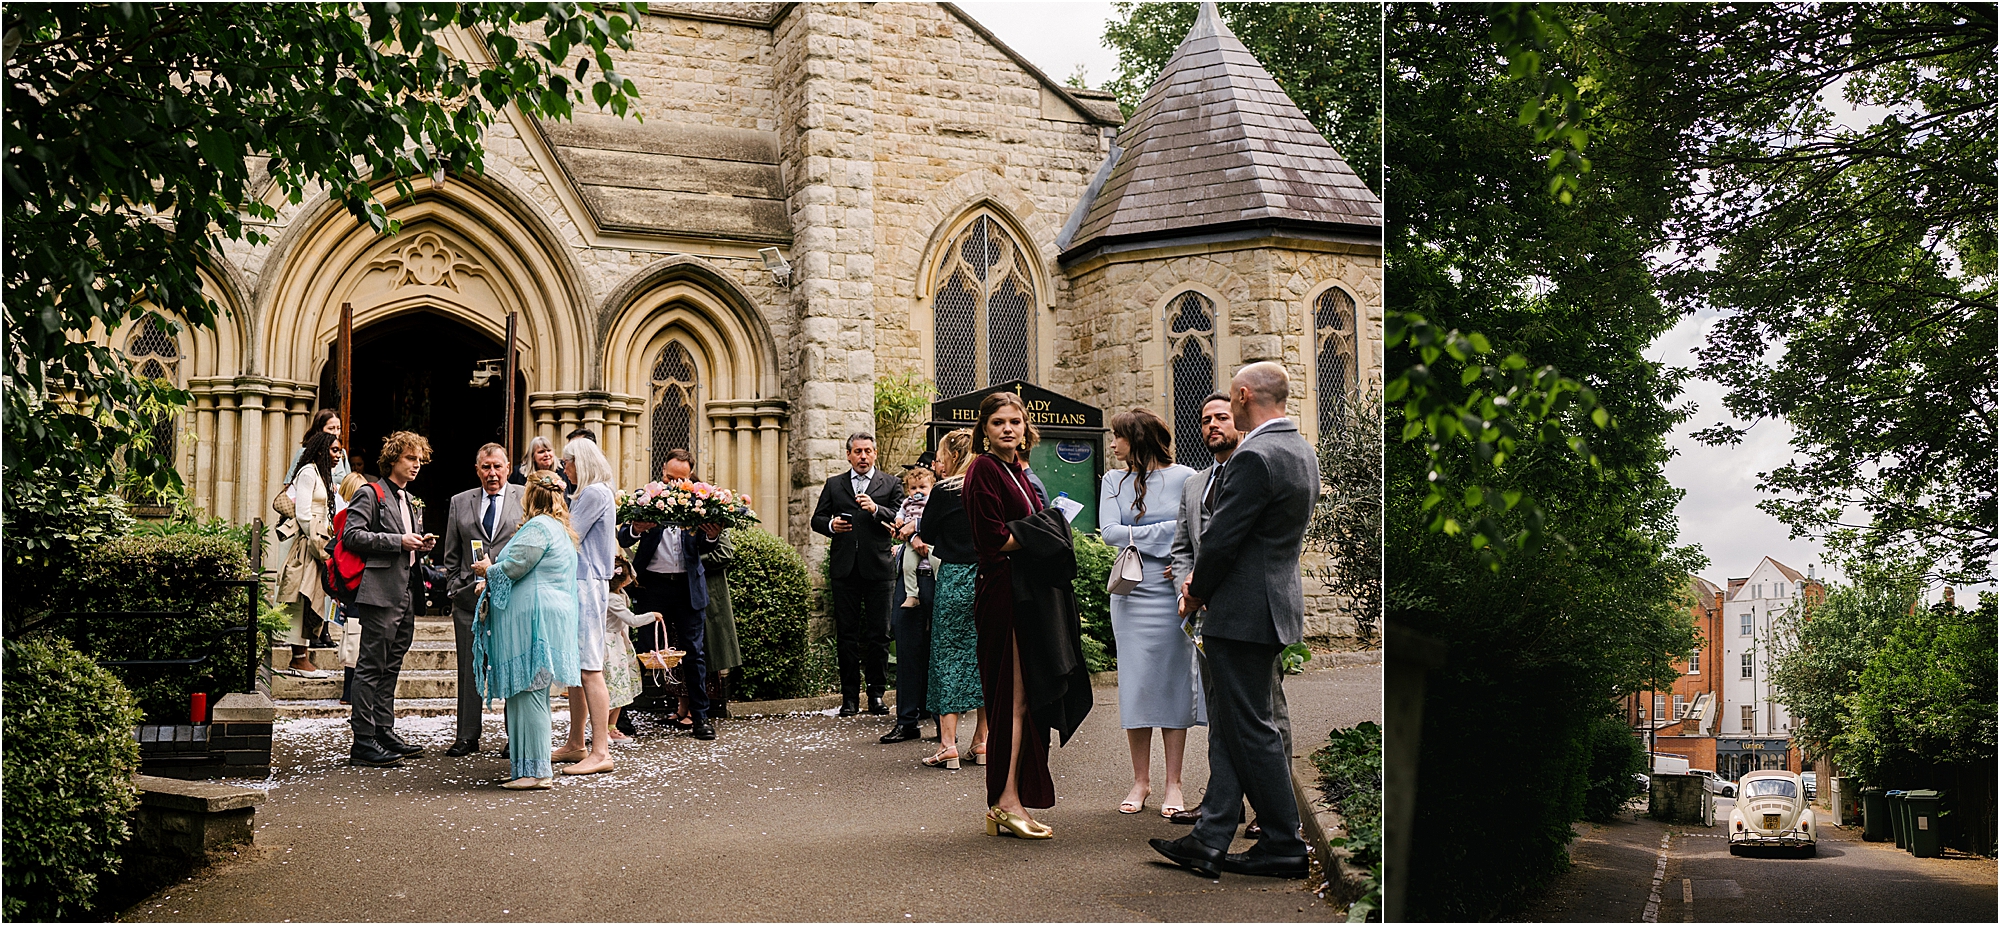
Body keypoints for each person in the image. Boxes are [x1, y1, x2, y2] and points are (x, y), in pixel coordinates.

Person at [1150, 362, 1320, 880]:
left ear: (1244, 396)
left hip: (1242, 612)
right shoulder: (1301, 450)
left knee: (1251, 728)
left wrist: (1195, 593)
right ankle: (1211, 837)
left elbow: (1224, 538)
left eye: (1233, 397)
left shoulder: (1255, 455)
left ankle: (1283, 843)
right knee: (1233, 724)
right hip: (1271, 606)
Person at [963, 393, 1091, 839]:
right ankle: (1005, 802)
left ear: (1025, 427)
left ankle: (1012, 797)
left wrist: (1042, 529)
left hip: (1030, 596)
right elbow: (991, 539)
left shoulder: (1019, 470)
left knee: (1028, 699)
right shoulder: (983, 469)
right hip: (1006, 597)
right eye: (998, 422)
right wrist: (1048, 530)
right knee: (1013, 700)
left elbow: (1024, 530)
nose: (1007, 429)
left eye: (1015, 421)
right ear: (984, 429)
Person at [1165, 393, 1285, 836]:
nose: (1213, 425)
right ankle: (1223, 804)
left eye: (1222, 416)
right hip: (1203, 612)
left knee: (1265, 709)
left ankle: (1272, 809)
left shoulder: (1256, 469)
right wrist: (1187, 586)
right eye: (1205, 420)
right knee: (1218, 708)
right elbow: (1184, 546)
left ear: (1239, 419)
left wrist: (1203, 587)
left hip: (1246, 611)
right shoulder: (1195, 483)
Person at [1098, 408, 1200, 817]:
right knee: (1136, 686)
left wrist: (1148, 539)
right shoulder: (1112, 480)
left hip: (1172, 593)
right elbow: (1109, 533)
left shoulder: (1186, 477)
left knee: (1175, 684)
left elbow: (1195, 529)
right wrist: (1167, 537)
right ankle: (1140, 780)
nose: (1112, 444)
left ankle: (1174, 783)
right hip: (1131, 593)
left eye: (1117, 437)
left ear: (1137, 439)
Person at [471, 469, 583, 790]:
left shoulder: (538, 527)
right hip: (546, 619)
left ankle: (536, 773)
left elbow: (515, 566)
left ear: (531, 495)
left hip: (534, 624)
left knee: (530, 695)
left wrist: (488, 569)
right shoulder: (560, 529)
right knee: (526, 695)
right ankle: (526, 768)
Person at [340, 430, 436, 768]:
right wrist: (399, 542)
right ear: (392, 459)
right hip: (379, 594)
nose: (417, 465)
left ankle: (383, 729)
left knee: (391, 666)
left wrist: (419, 545)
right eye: (410, 458)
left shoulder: (408, 499)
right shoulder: (371, 493)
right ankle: (363, 741)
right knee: (370, 667)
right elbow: (352, 536)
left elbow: (401, 542)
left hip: (406, 593)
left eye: (419, 459)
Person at [619, 450, 722, 738]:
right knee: (638, 651)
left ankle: (701, 718)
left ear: (690, 478)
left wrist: (712, 534)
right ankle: (622, 718)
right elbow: (623, 536)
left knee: (694, 654)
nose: (674, 484)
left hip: (688, 587)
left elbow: (707, 543)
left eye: (681, 479)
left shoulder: (701, 502)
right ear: (661, 472)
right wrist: (636, 529)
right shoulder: (646, 497)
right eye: (669, 477)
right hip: (652, 585)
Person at [809, 432, 905, 717]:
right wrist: (831, 525)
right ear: (848, 455)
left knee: (879, 635)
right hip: (844, 569)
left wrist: (876, 509)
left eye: (868, 451)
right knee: (847, 636)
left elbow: (900, 515)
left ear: (875, 454)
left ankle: (876, 694)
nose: (863, 456)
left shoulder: (890, 483)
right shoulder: (834, 484)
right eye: (857, 451)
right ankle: (849, 698)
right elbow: (817, 519)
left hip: (879, 569)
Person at [439, 443, 525, 757]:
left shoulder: (524, 497)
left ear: (508, 467)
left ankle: (514, 736)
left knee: (510, 667)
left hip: (510, 600)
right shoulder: (460, 502)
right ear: (478, 470)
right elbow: (451, 553)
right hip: (467, 601)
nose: (492, 473)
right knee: (469, 668)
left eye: (497, 467)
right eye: (486, 467)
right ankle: (467, 736)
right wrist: (454, 586)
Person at [914, 428, 987, 768]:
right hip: (987, 576)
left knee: (948, 655)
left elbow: (925, 533)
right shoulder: (988, 484)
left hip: (956, 576)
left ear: (954, 457)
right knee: (984, 656)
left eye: (942, 456)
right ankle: (982, 742)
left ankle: (948, 745)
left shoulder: (945, 491)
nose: (939, 463)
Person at [555, 436, 618, 774]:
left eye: (567, 463)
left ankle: (601, 750)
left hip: (587, 584)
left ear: (581, 462)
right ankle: (576, 743)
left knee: (590, 667)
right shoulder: (586, 493)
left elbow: (569, 535)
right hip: (580, 582)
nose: (564, 469)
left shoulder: (594, 493)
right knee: (577, 667)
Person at [879, 459, 936, 744]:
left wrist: (916, 531)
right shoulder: (907, 504)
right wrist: (905, 532)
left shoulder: (943, 496)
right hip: (909, 582)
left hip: (938, 579)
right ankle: (906, 721)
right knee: (907, 647)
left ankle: (942, 723)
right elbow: (900, 523)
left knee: (937, 649)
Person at [274, 431, 339, 679]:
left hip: (319, 541)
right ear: (321, 450)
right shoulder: (308, 472)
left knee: (314, 596)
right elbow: (302, 513)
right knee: (302, 596)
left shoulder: (322, 473)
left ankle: (302, 656)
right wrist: (318, 544)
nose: (338, 455)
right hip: (310, 543)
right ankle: (298, 658)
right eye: (334, 450)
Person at [604, 553, 664, 745]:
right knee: (613, 685)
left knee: (623, 685)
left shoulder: (621, 593)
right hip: (610, 644)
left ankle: (612, 727)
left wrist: (624, 564)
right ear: (621, 580)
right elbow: (632, 620)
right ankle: (602, 726)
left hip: (620, 642)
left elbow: (633, 573)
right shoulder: (612, 598)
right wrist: (652, 615)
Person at [334, 471, 371, 704]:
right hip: (360, 581)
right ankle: (352, 691)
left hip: (347, 584)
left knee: (352, 636)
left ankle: (349, 690)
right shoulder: (351, 518)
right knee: (358, 637)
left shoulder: (340, 518)